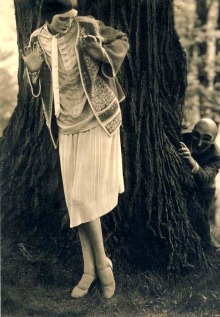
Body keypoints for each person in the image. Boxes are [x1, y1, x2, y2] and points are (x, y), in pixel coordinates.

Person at [21, 0, 129, 299]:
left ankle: (103, 267)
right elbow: (40, 85)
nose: (69, 23)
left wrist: (103, 54)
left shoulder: (88, 26)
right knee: (77, 202)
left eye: (71, 18)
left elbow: (121, 40)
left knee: (82, 199)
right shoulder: (36, 40)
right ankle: (90, 268)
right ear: (47, 17)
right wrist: (32, 72)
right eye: (62, 19)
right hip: (65, 124)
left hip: (97, 118)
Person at [178, 118, 220, 263]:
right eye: (196, 135)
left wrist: (191, 160)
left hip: (204, 192)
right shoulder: (183, 137)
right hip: (184, 185)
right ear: (192, 131)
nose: (199, 143)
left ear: (214, 139)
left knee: (200, 226)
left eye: (206, 139)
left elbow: (205, 178)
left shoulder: (217, 156)